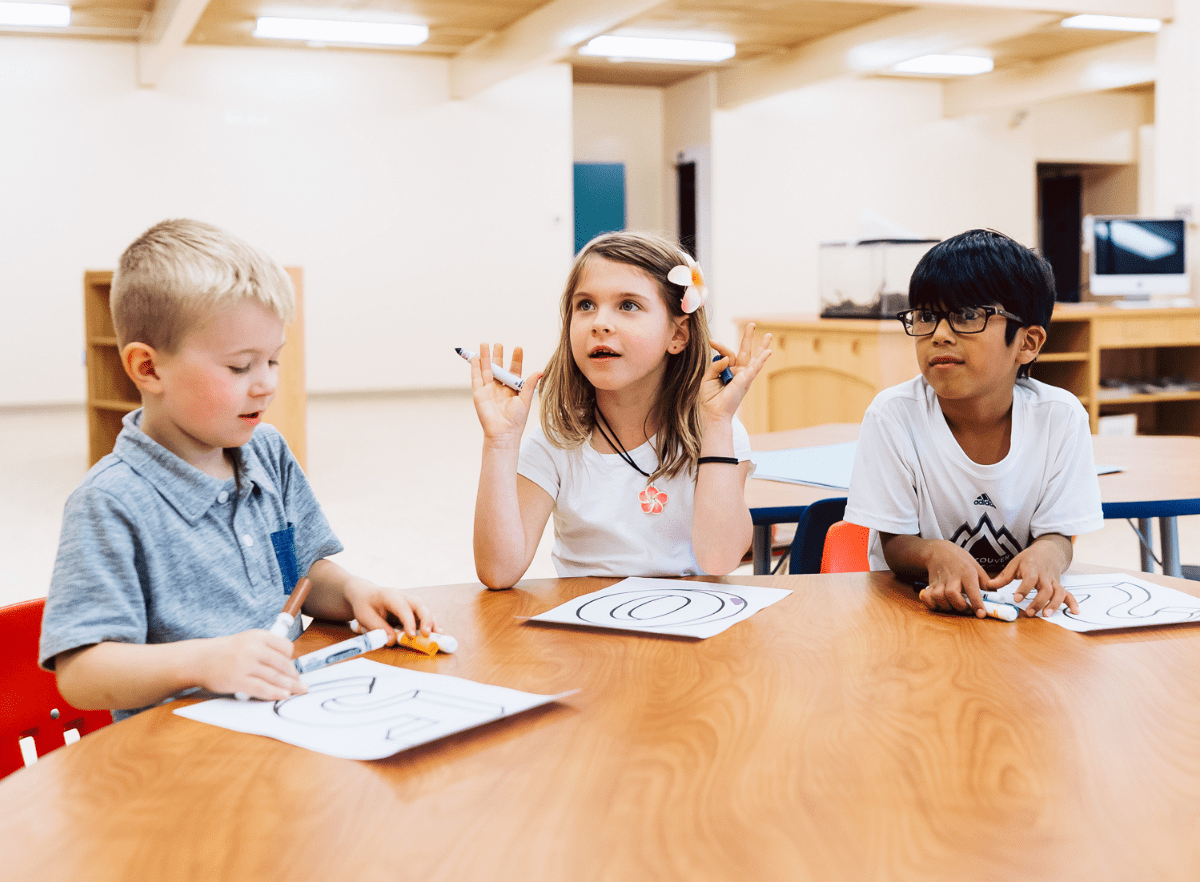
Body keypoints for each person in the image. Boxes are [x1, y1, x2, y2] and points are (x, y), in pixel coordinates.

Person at [40, 219, 435, 719]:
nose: (266, 384)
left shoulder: (267, 451)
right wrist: (204, 661)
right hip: (181, 758)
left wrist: (357, 591)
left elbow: (303, 573)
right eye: (240, 366)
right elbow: (82, 673)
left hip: (282, 726)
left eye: (273, 360)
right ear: (148, 368)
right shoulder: (110, 501)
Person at [470, 231, 772, 589]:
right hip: (583, 629)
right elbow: (498, 571)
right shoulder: (555, 444)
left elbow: (720, 559)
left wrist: (719, 423)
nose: (600, 323)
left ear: (678, 335)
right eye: (585, 305)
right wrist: (500, 443)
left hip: (687, 626)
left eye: (628, 305)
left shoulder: (717, 432)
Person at [844, 229, 1104, 618]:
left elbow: (1058, 535)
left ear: (1027, 343)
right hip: (910, 612)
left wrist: (1048, 555)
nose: (940, 335)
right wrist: (934, 553)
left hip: (1020, 619)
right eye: (926, 317)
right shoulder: (893, 414)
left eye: (967, 316)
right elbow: (895, 543)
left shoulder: (1060, 417)